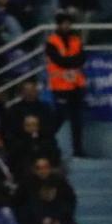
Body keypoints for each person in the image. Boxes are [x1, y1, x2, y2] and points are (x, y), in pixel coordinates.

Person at [45, 13, 87, 158]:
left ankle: (78, 150)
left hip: (76, 85)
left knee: (77, 120)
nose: (66, 26)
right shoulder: (52, 41)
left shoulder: (76, 40)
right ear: (58, 25)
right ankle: (46, 141)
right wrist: (70, 61)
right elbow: (58, 60)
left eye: (68, 23)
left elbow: (81, 58)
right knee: (59, 117)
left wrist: (68, 61)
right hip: (60, 87)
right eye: (63, 23)